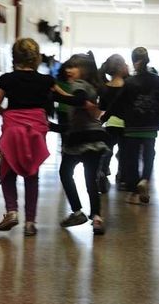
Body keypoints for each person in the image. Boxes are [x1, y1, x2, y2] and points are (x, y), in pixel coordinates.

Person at [0, 38, 54, 236]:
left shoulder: (7, 79)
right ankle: (30, 222)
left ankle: (11, 211)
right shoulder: (45, 81)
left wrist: (7, 115)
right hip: (35, 131)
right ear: (36, 58)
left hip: (12, 131)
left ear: (14, 57)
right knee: (32, 173)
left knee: (7, 172)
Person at [103, 47, 159, 205]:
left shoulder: (129, 82)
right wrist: (156, 110)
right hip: (150, 125)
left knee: (131, 159)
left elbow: (116, 104)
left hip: (132, 126)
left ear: (133, 62)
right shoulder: (158, 80)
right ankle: (145, 179)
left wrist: (105, 118)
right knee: (149, 154)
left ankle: (134, 191)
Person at [54, 54, 110, 235]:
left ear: (84, 70)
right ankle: (97, 218)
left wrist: (55, 93)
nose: (69, 70)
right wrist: (53, 127)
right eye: (68, 67)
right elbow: (76, 119)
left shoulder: (78, 85)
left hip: (80, 140)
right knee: (90, 180)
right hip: (95, 137)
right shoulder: (90, 87)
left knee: (65, 172)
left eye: (74, 67)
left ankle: (77, 211)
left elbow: (77, 100)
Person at [98, 54, 129, 191]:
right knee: (124, 151)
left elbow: (102, 107)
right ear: (122, 67)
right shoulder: (128, 86)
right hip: (126, 123)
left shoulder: (105, 87)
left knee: (108, 150)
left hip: (110, 123)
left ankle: (103, 171)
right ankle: (122, 176)